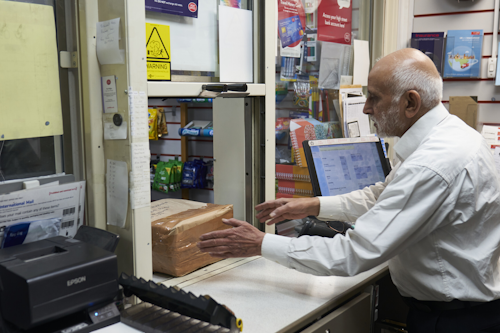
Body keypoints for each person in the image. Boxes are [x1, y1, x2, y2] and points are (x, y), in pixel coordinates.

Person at [197, 48, 500, 333]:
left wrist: (260, 243)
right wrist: (313, 205)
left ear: (411, 103)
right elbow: (385, 194)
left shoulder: (433, 164)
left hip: (457, 320)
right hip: (464, 308)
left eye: (374, 98)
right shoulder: (450, 135)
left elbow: (352, 253)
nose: (366, 108)